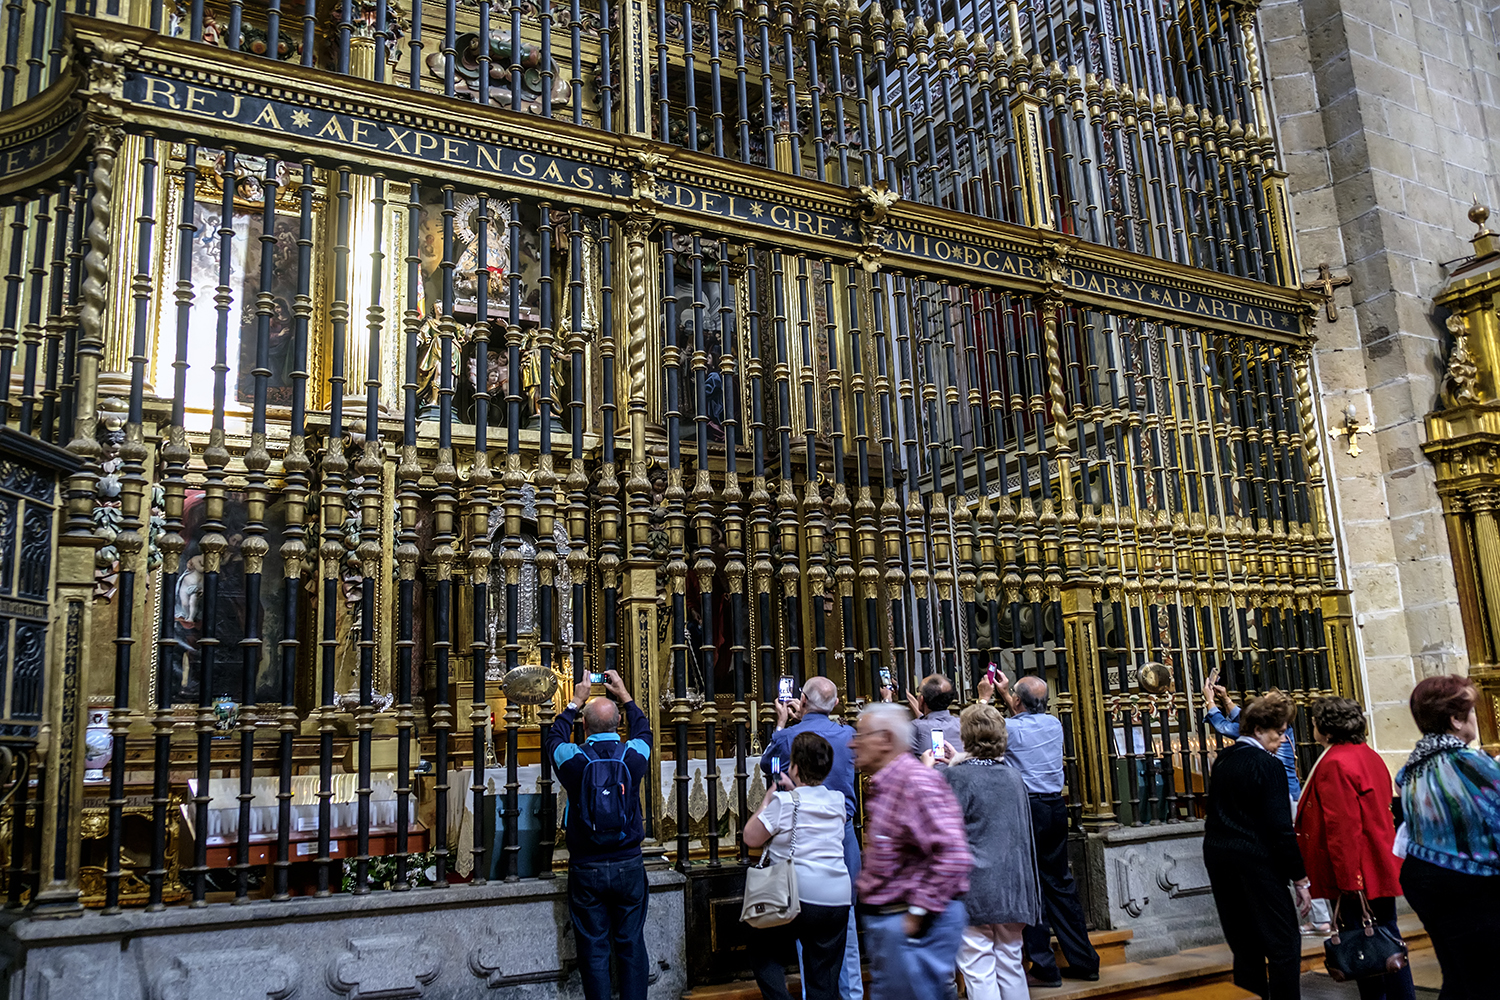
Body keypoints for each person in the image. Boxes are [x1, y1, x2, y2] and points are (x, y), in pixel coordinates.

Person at [850, 702, 973, 1000]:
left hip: (910, 926)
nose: (852, 744)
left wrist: (916, 915)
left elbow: (953, 855)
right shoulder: (888, 783)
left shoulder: (915, 782)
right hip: (893, 924)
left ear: (885, 739)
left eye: (861, 735)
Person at [1294, 697, 1414, 1000]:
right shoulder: (1369, 755)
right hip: (1377, 864)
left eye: (1314, 722)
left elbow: (1343, 827)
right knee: (1387, 938)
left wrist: (1349, 881)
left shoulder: (1335, 762)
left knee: (1365, 950)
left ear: (1326, 727)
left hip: (1357, 872)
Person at [545, 670, 653, 1000]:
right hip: (628, 863)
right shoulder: (633, 754)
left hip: (586, 866)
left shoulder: (573, 759)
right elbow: (645, 731)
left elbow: (553, 739)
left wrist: (574, 701)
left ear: (584, 726)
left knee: (593, 947)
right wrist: (625, 695)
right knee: (631, 943)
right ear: (618, 724)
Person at [988, 674, 1099, 987]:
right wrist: (1008, 694)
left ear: (1018, 701)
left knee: (1031, 885)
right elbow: (1024, 718)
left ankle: (1044, 966)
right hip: (1055, 808)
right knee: (1060, 883)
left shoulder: (1010, 729)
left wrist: (991, 696)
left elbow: (990, 730)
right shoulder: (1053, 724)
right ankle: (1085, 961)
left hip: (1028, 810)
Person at [1396, 675, 1500, 1000]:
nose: (1475, 718)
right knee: (1487, 982)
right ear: (1455, 719)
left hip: (1424, 879)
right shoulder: (1467, 761)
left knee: (1457, 976)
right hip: (1469, 883)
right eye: (1471, 711)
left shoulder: (1412, 768)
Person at [758, 676, 862, 1000]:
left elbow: (768, 765)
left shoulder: (789, 737)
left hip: (802, 829)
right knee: (845, 920)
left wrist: (781, 724)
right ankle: (851, 993)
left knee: (806, 918)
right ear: (836, 705)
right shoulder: (848, 735)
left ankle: (812, 993)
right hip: (843, 831)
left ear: (802, 701)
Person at [1202, 689, 1310, 1000]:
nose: (1283, 739)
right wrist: (1300, 878)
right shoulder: (1267, 764)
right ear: (1259, 729)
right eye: (1279, 732)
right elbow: (1280, 829)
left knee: (1245, 946)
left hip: (1220, 857)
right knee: (1283, 944)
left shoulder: (1224, 759)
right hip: (1257, 860)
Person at [937, 703, 1044, 1000]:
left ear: (965, 737)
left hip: (974, 886)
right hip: (1013, 884)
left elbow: (944, 830)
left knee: (977, 966)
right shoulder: (1013, 777)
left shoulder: (954, 777)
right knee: (1011, 964)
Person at [743, 732, 852, 1000]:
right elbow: (810, 804)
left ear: (794, 767)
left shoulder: (783, 802)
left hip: (797, 895)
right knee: (823, 979)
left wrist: (768, 799)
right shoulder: (838, 801)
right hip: (837, 898)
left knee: (761, 947)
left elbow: (751, 837)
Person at [1204, 682, 1301, 799]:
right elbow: (1246, 718)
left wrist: (1210, 701)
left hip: (1282, 794)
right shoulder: (1282, 727)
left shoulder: (1266, 730)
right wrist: (1225, 699)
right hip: (1291, 791)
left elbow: (1223, 727)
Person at [909, 673, 964, 764]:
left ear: (922, 699)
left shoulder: (916, 727)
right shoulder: (961, 723)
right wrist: (906, 694)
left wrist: (887, 700)